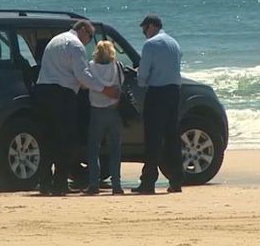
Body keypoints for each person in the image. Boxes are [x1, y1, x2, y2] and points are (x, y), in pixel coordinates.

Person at [35, 20, 118, 196]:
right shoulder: (76, 45)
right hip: (62, 94)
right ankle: (59, 183)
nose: (89, 40)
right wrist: (104, 89)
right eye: (89, 35)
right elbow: (82, 75)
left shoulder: (55, 40)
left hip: (42, 91)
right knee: (65, 140)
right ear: (81, 29)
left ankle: (44, 182)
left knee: (47, 139)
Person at [131, 14, 185, 194]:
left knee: (153, 138)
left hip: (157, 92)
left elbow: (143, 75)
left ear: (152, 26)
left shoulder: (151, 44)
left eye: (144, 29)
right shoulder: (174, 43)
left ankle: (148, 182)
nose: (144, 33)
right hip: (174, 92)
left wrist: (139, 77)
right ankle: (176, 180)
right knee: (172, 137)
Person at [84, 40, 125, 195]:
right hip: (114, 110)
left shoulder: (91, 66)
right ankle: (116, 185)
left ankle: (94, 184)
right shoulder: (117, 66)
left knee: (93, 149)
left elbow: (86, 82)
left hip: (96, 110)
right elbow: (122, 85)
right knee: (115, 149)